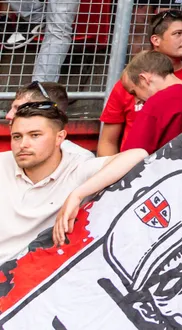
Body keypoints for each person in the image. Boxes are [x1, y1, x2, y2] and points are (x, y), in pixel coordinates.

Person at [1, 100, 120, 263]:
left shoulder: (77, 167)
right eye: (17, 137)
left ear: (60, 137)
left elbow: (138, 155)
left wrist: (77, 195)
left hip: (29, 277)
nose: (23, 145)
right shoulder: (3, 162)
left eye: (35, 135)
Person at [97, 7, 182, 156]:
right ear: (156, 40)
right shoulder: (131, 81)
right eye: (178, 34)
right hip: (135, 169)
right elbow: (108, 141)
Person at [118, 50, 182, 153]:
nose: (137, 100)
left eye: (134, 92)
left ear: (144, 79)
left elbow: (131, 155)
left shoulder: (157, 102)